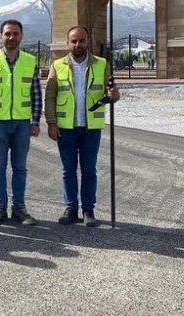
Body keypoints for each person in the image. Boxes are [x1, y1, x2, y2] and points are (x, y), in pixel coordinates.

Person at [44, 25, 120, 227]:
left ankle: (88, 210)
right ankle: (70, 208)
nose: (78, 44)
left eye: (82, 40)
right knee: (68, 170)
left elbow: (111, 93)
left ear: (88, 41)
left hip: (90, 128)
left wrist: (114, 95)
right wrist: (51, 122)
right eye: (74, 41)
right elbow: (50, 96)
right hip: (65, 128)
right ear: (68, 43)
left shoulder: (101, 64)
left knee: (89, 170)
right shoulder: (57, 65)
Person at [0, 19, 41, 226]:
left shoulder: (30, 61)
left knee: (20, 168)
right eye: (7, 33)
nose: (11, 37)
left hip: (22, 122)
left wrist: (35, 121)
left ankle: (19, 208)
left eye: (15, 33)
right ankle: (0, 207)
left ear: (21, 36)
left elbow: (36, 93)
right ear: (1, 36)